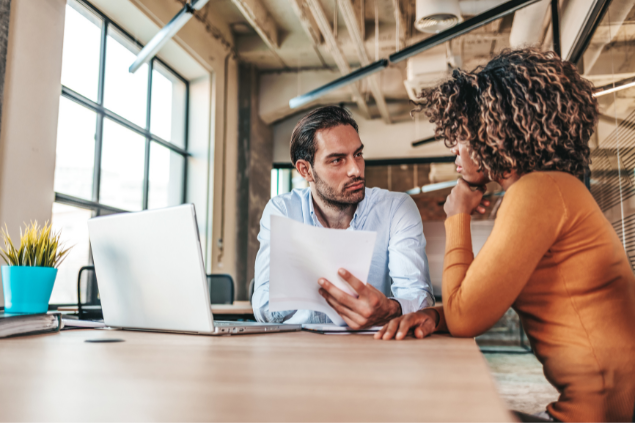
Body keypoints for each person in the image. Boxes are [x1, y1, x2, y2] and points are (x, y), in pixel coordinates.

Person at [375, 48, 635, 422]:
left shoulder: (538, 192)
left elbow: (467, 317)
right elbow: (482, 298)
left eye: (463, 134)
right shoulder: (548, 189)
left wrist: (457, 213)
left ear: (498, 131)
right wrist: (434, 314)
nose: (456, 149)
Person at [252, 106, 434, 327]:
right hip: (302, 351)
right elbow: (264, 306)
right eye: (337, 160)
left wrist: (391, 309)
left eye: (358, 154)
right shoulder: (283, 211)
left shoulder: (396, 209)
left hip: (376, 349)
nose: (356, 170)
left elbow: (420, 298)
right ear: (305, 171)